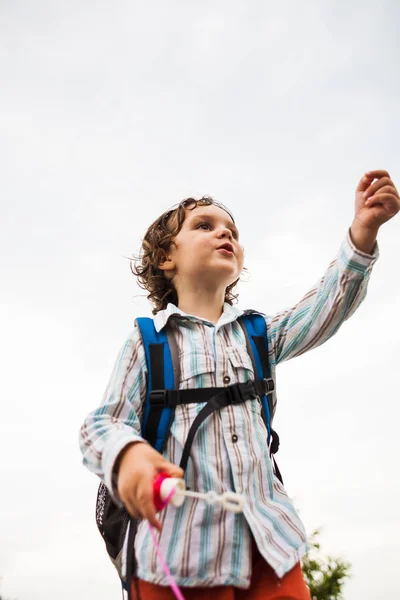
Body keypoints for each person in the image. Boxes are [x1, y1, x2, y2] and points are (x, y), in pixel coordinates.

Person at [79, 170, 399, 599]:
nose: (223, 234)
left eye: (231, 230)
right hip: (177, 555)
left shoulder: (257, 335)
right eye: (204, 226)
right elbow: (101, 425)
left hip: (270, 548)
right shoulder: (148, 341)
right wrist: (129, 457)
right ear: (165, 259)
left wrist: (362, 234)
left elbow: (325, 308)